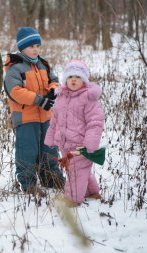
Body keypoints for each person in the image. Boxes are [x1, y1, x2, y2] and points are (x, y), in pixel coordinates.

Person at [4, 27, 65, 197]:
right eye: (31, 46)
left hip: (46, 117)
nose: (36, 49)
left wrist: (54, 90)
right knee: (27, 151)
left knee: (49, 149)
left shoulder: (42, 64)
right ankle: (28, 184)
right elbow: (15, 91)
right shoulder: (14, 68)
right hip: (25, 118)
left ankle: (51, 178)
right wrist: (40, 100)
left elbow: (54, 81)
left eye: (38, 45)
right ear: (22, 47)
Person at [44, 59, 105, 207]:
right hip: (64, 144)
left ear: (84, 80)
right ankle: (92, 192)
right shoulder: (62, 97)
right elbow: (55, 120)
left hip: (80, 145)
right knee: (78, 169)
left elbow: (95, 122)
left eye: (78, 77)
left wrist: (90, 143)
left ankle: (72, 199)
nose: (74, 80)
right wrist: (51, 137)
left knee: (77, 172)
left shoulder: (88, 98)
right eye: (70, 77)